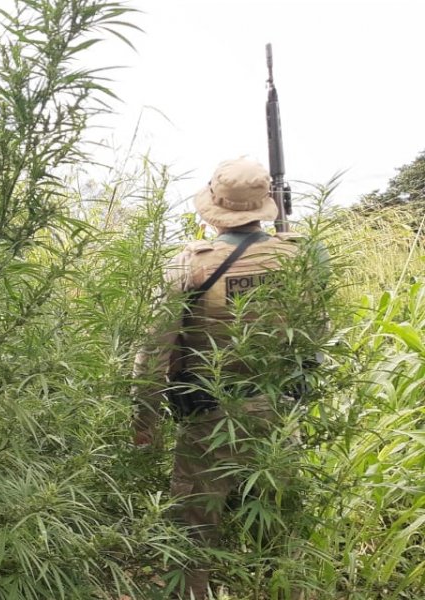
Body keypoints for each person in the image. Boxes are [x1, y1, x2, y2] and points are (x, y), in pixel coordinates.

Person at [132, 158, 328, 598]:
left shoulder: (191, 264)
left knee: (193, 532)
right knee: (280, 531)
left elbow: (153, 353)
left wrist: (144, 422)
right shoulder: (297, 260)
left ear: (213, 207)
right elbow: (317, 336)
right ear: (265, 205)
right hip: (277, 413)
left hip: (207, 417)